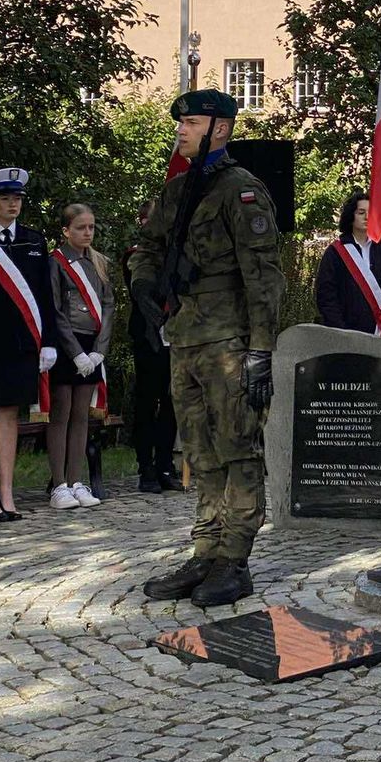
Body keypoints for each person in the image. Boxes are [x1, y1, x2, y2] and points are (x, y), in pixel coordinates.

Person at [129, 90, 285, 607]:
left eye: (192, 122)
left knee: (238, 449)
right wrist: (144, 284)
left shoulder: (242, 191)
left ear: (220, 129)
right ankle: (206, 550)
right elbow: (149, 246)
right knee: (200, 451)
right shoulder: (178, 189)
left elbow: (264, 278)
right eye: (182, 123)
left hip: (229, 340)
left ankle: (233, 560)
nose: (181, 130)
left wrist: (260, 349)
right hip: (186, 337)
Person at [0, 167, 58, 522]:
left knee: (9, 414)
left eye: (17, 199)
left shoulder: (34, 240)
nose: (13, 204)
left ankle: (6, 492)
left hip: (22, 343)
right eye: (5, 198)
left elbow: (44, 296)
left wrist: (48, 342)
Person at [47, 204, 114, 511]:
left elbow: (108, 306)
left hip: (92, 344)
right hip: (66, 344)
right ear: (66, 231)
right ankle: (59, 485)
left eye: (91, 227)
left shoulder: (99, 261)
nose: (87, 232)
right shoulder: (56, 262)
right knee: (61, 413)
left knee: (81, 415)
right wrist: (75, 353)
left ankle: (76, 482)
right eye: (80, 227)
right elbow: (55, 309)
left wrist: (99, 349)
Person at [122, 200, 183, 494]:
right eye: (149, 221)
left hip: (176, 334)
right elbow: (142, 290)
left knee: (172, 402)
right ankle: (145, 465)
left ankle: (165, 464)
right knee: (147, 401)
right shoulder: (136, 255)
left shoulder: (179, 254)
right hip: (149, 335)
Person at [314, 190, 381, 339]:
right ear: (351, 216)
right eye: (361, 213)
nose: (367, 217)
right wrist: (339, 329)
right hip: (345, 333)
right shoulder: (335, 252)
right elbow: (326, 295)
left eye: (370, 212)